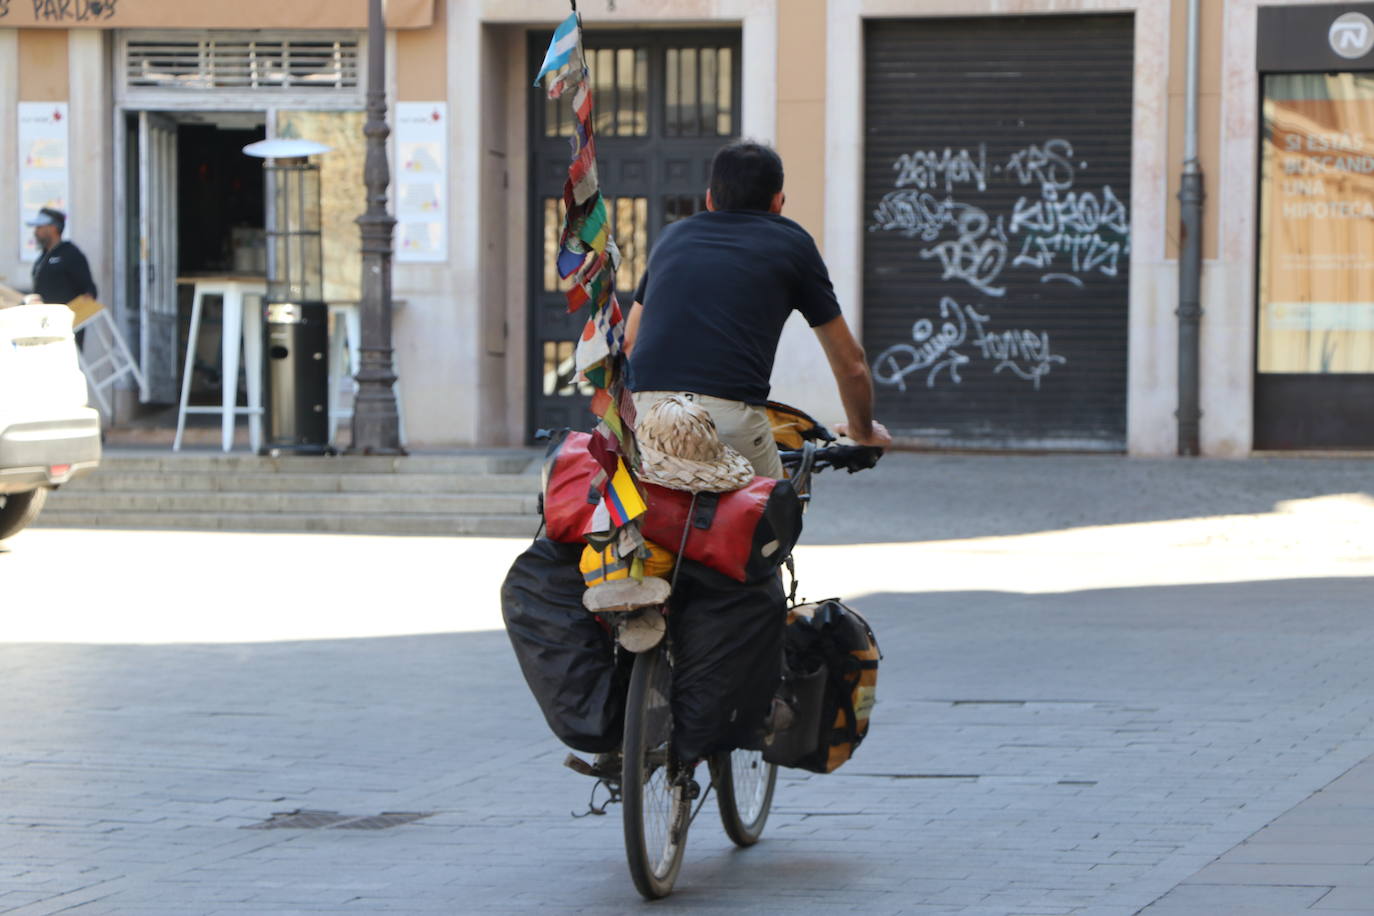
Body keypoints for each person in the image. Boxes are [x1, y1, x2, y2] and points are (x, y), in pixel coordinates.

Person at [624, 140, 891, 479]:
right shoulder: (792, 243)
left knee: (645, 518)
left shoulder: (671, 237)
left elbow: (629, 344)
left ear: (709, 199)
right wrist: (863, 432)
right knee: (773, 510)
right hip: (730, 419)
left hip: (647, 414)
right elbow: (851, 365)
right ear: (778, 203)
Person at [28, 207, 97, 309]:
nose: (35, 232)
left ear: (53, 228)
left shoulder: (71, 254)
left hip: (66, 322)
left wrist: (77, 315)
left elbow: (89, 290)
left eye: (39, 227)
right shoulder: (43, 256)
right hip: (45, 321)